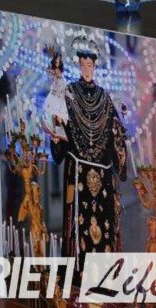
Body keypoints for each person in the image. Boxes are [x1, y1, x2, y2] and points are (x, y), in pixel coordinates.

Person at [49, 42, 127, 272]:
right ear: (78, 66)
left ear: (95, 66)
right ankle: (79, 274)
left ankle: (103, 275)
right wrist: (57, 132)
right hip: (79, 169)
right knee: (79, 222)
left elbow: (115, 129)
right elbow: (58, 122)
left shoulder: (104, 96)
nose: (86, 69)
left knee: (104, 221)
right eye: (82, 64)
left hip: (102, 171)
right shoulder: (69, 93)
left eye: (89, 64)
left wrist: (120, 145)